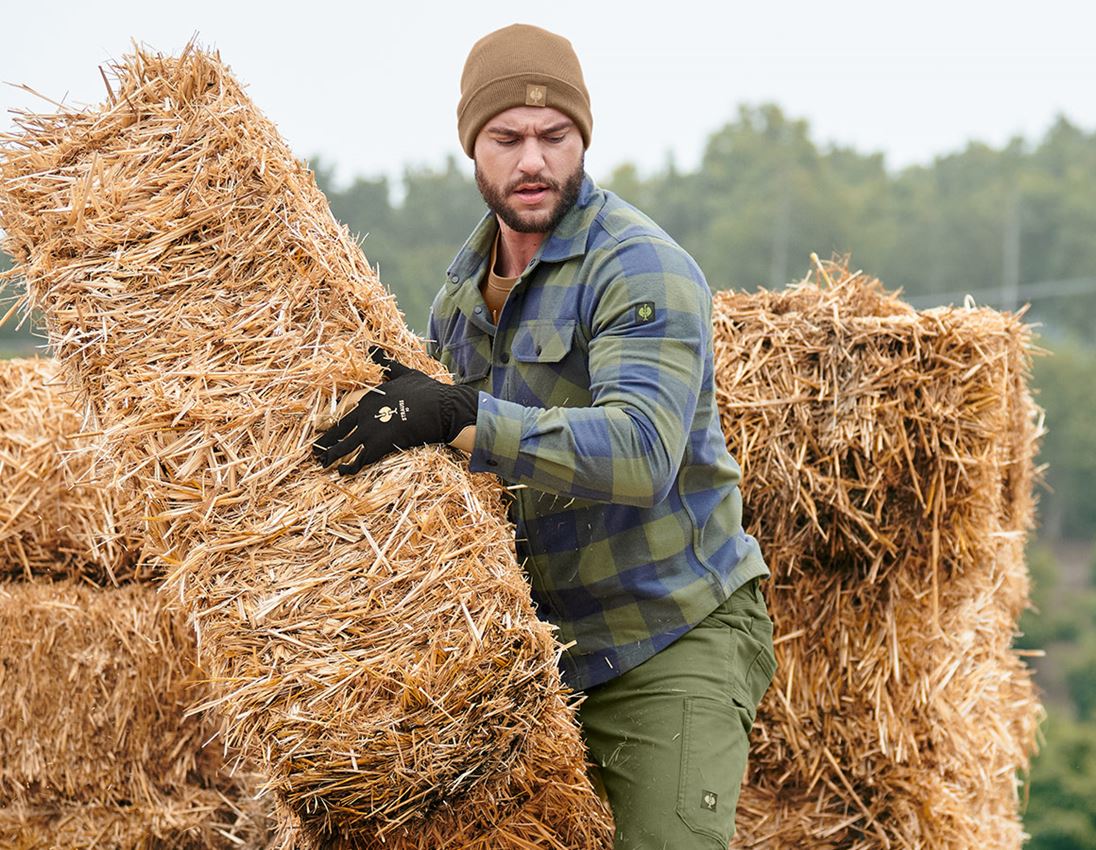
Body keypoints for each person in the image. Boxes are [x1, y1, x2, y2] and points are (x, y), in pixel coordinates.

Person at [313, 23, 776, 849]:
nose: (533, 159)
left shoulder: (639, 267)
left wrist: (460, 415)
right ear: (472, 147)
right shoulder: (459, 295)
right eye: (507, 138)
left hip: (668, 634)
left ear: (583, 139)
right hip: (538, 660)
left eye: (554, 135)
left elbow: (641, 453)